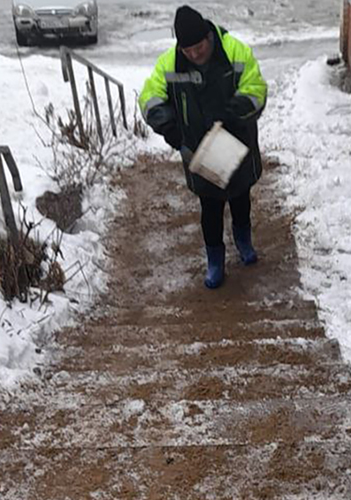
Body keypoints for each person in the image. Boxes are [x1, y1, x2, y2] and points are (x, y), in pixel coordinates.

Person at [139, 5, 267, 289]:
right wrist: (169, 127)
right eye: (188, 51)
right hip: (199, 148)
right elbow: (150, 98)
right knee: (209, 206)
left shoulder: (235, 50)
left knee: (240, 197)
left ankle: (243, 241)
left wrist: (234, 114)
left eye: (199, 47)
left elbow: (256, 89)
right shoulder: (169, 63)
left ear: (209, 37)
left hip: (236, 141)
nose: (195, 55)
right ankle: (215, 260)